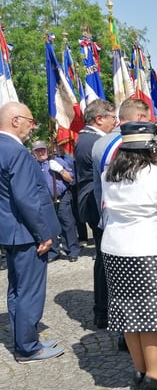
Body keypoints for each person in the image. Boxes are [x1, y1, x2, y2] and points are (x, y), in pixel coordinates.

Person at [101, 121, 157, 390]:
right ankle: (155, 373)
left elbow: (104, 211)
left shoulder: (108, 175)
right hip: (148, 250)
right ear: (150, 149)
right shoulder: (156, 175)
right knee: (152, 314)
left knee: (128, 312)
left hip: (115, 248)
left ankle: (139, 369)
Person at [0, 102, 64, 363]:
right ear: (15, 120)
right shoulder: (16, 151)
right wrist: (43, 234)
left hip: (10, 232)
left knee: (16, 289)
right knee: (29, 291)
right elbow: (27, 198)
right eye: (29, 120)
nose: (32, 125)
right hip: (27, 233)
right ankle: (28, 347)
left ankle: (22, 338)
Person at [91, 97, 152, 352]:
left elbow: (98, 189)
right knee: (143, 287)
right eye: (147, 119)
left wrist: (104, 221)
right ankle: (144, 337)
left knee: (118, 286)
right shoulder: (140, 142)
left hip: (111, 226)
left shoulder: (98, 144)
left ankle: (123, 334)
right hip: (141, 229)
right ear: (139, 118)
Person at [74, 99, 117, 329]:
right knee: (104, 259)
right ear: (99, 118)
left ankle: (103, 309)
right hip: (95, 204)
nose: (116, 122)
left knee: (103, 258)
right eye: (112, 117)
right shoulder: (93, 141)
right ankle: (103, 310)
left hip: (94, 202)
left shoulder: (89, 138)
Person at [31, 140, 80, 263]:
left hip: (62, 197)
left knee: (67, 224)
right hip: (44, 201)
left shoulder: (57, 161)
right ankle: (54, 251)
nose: (41, 152)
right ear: (33, 153)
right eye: (37, 150)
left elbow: (70, 179)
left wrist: (60, 170)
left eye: (42, 149)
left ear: (47, 150)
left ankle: (72, 251)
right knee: (49, 226)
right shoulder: (32, 165)